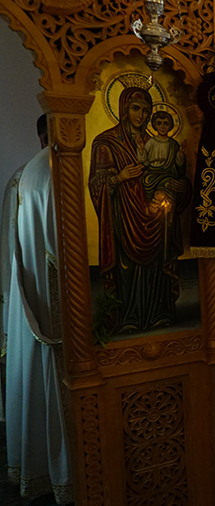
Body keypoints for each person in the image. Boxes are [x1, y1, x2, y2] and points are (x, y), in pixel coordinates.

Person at [2, 114, 74, 504]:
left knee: (33, 377)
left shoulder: (20, 175)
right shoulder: (58, 170)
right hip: (55, 306)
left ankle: (37, 468)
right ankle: (68, 473)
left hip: (25, 301)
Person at [88, 88, 191, 333]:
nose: (141, 115)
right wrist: (119, 177)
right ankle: (128, 318)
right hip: (124, 219)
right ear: (123, 109)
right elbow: (96, 185)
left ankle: (160, 313)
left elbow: (176, 173)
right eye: (135, 108)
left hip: (159, 220)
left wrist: (182, 185)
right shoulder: (106, 143)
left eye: (146, 111)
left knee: (157, 267)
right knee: (127, 269)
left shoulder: (157, 142)